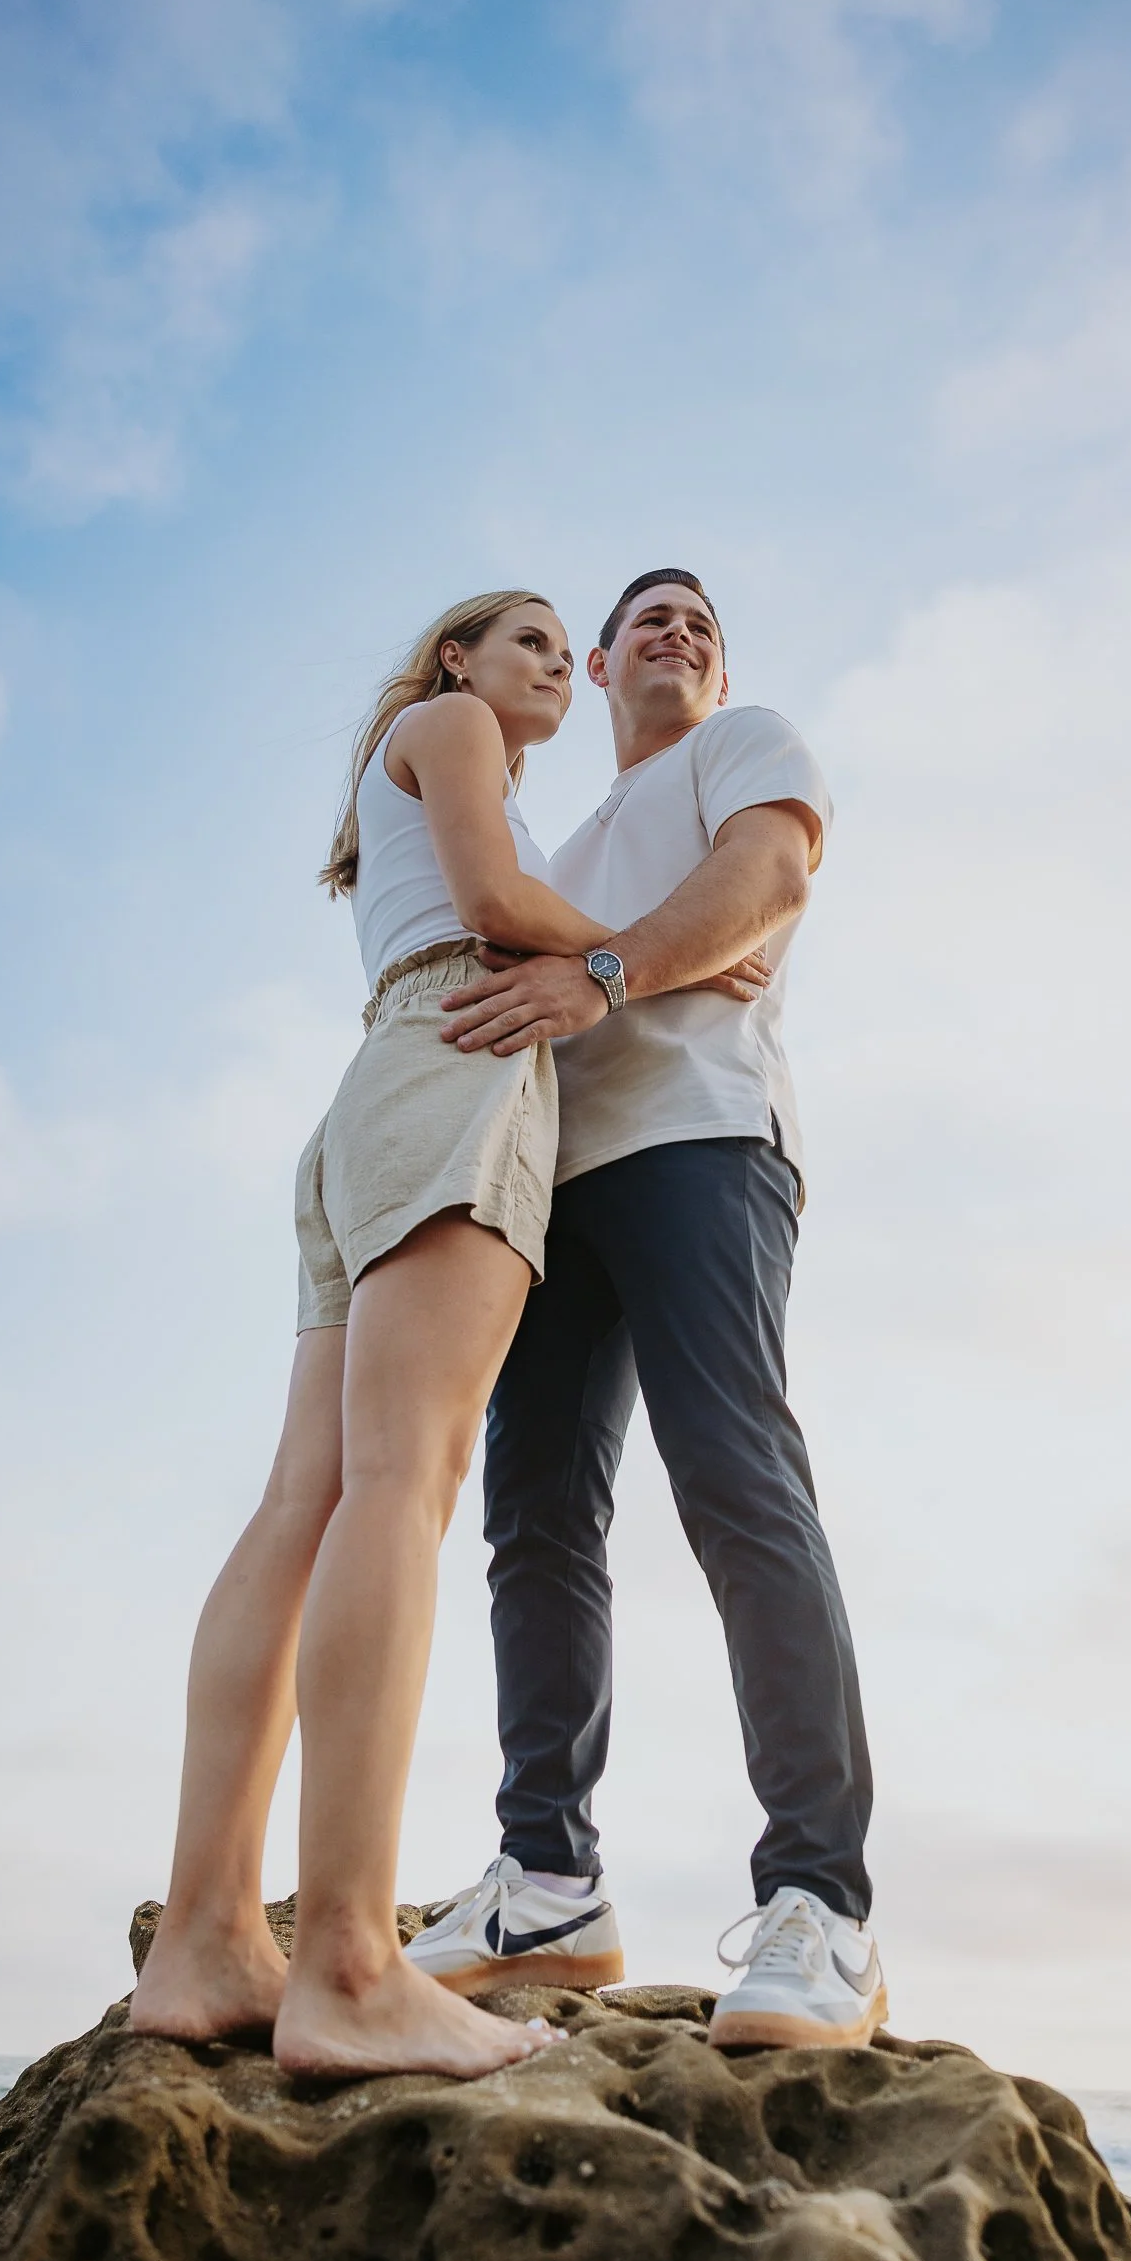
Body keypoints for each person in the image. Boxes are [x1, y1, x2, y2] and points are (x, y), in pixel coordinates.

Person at [130, 587, 766, 2080]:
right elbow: (495, 901)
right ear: (455, 661)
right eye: (530, 639)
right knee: (403, 1488)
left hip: (375, 1089)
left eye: (565, 647)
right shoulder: (459, 729)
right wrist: (653, 953)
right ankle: (349, 1958)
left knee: (310, 1500)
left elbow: (472, 888)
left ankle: (210, 1939)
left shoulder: (426, 759)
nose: (555, 663)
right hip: (454, 1064)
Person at [405, 569, 886, 2050]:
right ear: (598, 666)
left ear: (718, 667)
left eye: (702, 623)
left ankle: (823, 1905)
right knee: (533, 1518)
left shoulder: (744, 749)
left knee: (739, 1485)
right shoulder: (567, 834)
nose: (675, 635)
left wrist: (606, 967)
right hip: (553, 1176)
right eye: (647, 623)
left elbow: (767, 884)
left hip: (702, 1143)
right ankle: (549, 1878)